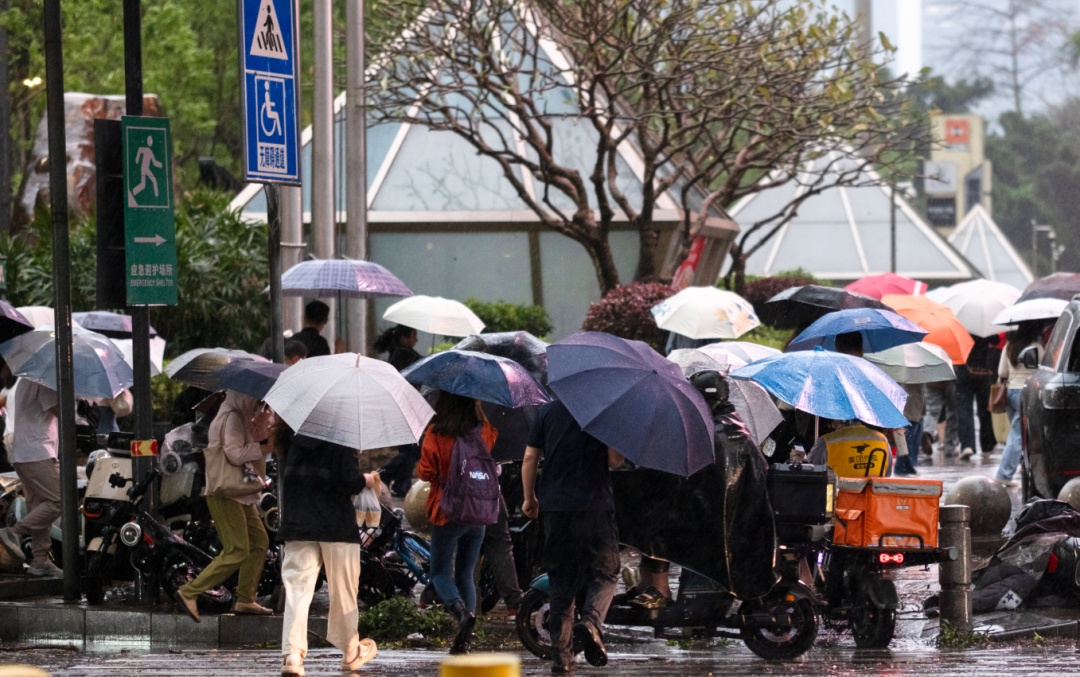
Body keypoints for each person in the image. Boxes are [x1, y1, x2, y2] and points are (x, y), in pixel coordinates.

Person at [522, 399, 624, 674]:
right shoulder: (602, 410)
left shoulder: (546, 412)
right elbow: (614, 461)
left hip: (556, 508)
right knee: (606, 573)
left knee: (562, 582)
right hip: (594, 507)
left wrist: (529, 498)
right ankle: (590, 623)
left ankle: (562, 658)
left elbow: (530, 457)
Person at [274, 421, 378, 676]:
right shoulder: (339, 435)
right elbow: (348, 481)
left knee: (298, 591)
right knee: (344, 590)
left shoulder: (293, 439)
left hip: (298, 524)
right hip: (335, 526)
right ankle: (350, 652)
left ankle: (292, 656)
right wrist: (366, 479)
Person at [174, 390, 273, 622]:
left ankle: (246, 598)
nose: (257, 403)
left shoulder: (240, 415)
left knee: (259, 542)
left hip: (239, 492)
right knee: (237, 549)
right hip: (224, 492)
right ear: (243, 395)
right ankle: (190, 591)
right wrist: (263, 448)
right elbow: (233, 454)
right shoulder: (232, 417)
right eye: (255, 399)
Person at [417, 392, 498, 655]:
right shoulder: (483, 429)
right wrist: (480, 410)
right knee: (465, 573)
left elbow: (426, 472)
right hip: (478, 510)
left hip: (448, 510)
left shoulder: (437, 432)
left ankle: (460, 612)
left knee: (439, 573)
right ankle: (465, 638)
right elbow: (490, 447)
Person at [0, 376, 62, 577]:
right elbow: (59, 410)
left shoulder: (27, 378)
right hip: (37, 452)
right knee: (59, 501)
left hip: (24, 452)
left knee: (39, 506)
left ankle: (40, 560)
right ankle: (14, 531)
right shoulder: (46, 380)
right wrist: (80, 408)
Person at [375, 325, 423, 497]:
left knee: (409, 450)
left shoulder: (396, 354)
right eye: (413, 336)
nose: (416, 340)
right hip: (407, 408)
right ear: (404, 338)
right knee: (414, 450)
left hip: (399, 408)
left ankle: (402, 485)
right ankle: (383, 474)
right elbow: (423, 366)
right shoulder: (406, 355)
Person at [995, 321, 1045, 484]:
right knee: (1018, 435)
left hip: (1010, 392)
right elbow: (1044, 370)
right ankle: (1004, 474)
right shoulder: (1037, 347)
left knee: (1018, 433)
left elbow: (1002, 372)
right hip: (1027, 392)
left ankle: (1022, 467)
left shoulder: (1009, 346)